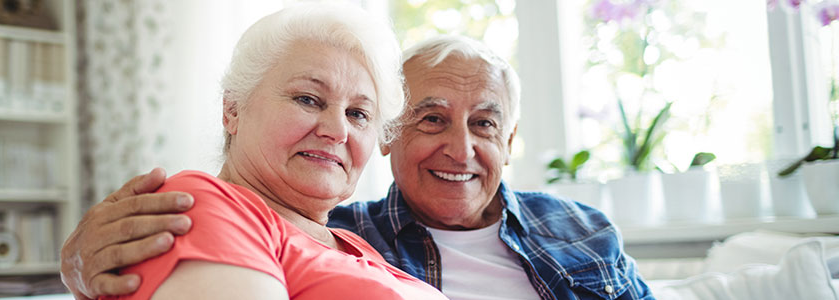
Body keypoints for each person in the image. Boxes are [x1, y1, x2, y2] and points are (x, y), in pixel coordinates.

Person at [63, 35, 655, 299]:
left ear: (510, 140)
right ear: (392, 137)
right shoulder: (340, 232)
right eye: (430, 119)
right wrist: (77, 265)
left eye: (484, 124)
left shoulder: (584, 229)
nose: (460, 148)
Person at [64, 3, 449, 300]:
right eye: (308, 99)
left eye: (358, 114)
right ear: (233, 109)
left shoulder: (356, 244)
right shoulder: (201, 205)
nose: (336, 131)